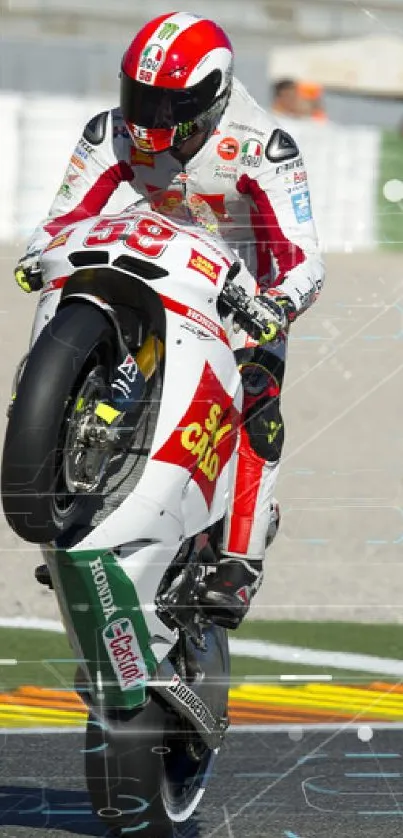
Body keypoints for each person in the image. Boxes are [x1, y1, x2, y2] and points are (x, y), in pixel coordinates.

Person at [15, 12, 325, 629]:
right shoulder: (110, 131)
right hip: (147, 259)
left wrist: (275, 305)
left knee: (256, 399)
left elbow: (303, 259)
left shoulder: (262, 147)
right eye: (141, 97)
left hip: (239, 290)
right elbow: (64, 215)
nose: (148, 119)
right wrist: (37, 252)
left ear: (212, 96)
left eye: (168, 105)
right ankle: (84, 495)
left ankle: (242, 558)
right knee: (74, 313)